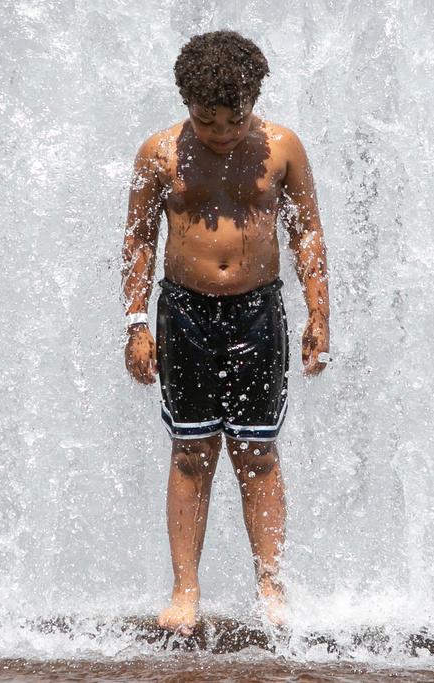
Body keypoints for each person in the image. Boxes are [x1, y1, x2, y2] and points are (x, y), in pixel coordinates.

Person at [121, 30, 330, 635]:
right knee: (190, 452)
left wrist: (319, 315)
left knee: (258, 452)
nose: (221, 134)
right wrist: (136, 323)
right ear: (187, 105)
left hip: (258, 312)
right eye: (206, 122)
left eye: (234, 120)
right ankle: (185, 589)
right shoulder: (158, 153)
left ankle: (271, 584)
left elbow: (308, 234)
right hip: (183, 313)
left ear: (254, 100)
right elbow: (137, 240)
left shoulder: (284, 148)